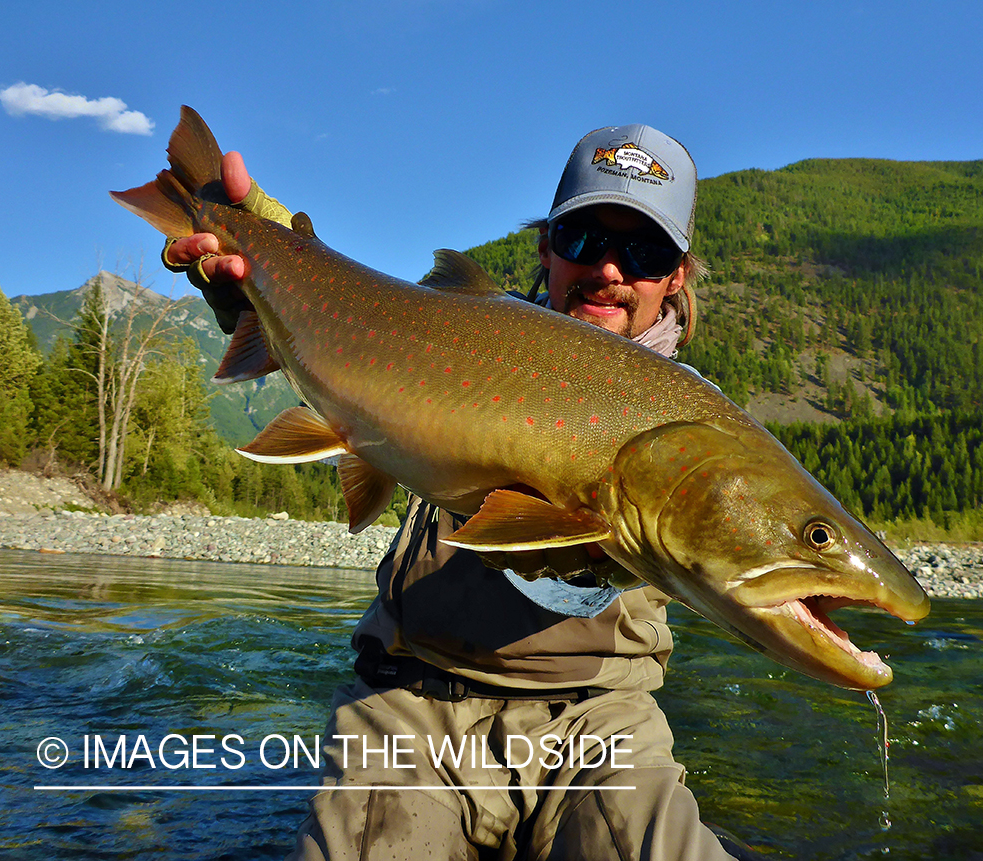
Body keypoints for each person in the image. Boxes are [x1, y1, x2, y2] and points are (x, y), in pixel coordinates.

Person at [166, 125, 762, 861]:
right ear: (546, 247)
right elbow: (339, 312)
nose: (608, 268)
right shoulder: (449, 335)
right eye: (581, 238)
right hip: (411, 703)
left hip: (601, 724)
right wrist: (255, 258)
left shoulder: (704, 428)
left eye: (643, 252)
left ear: (675, 276)